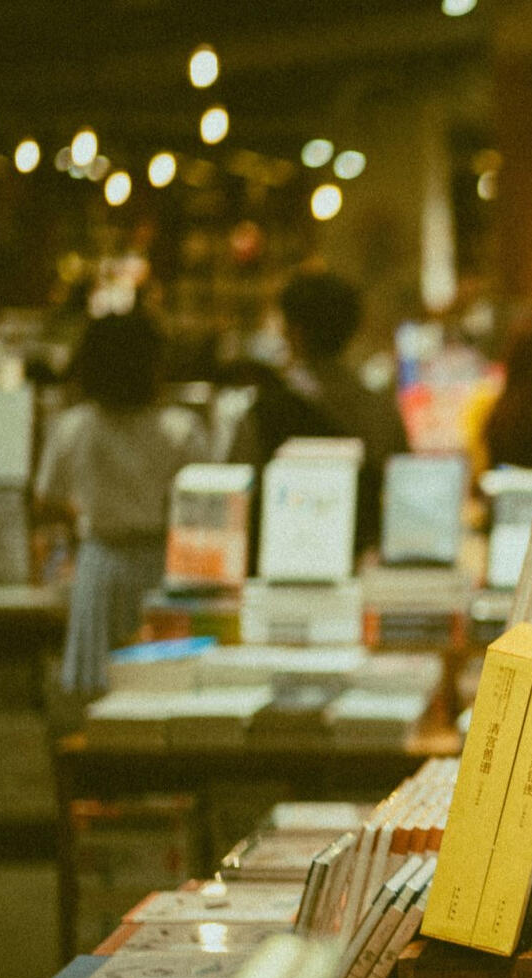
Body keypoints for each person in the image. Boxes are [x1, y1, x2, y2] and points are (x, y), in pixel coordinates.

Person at [36, 311, 210, 694]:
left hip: (100, 563)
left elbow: (46, 500)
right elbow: (206, 509)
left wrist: (80, 516)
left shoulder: (73, 426)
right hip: (164, 565)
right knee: (163, 686)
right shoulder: (180, 429)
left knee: (98, 689)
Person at [231, 270, 409, 554]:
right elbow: (403, 493)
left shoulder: (263, 410)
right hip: (359, 563)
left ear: (295, 332)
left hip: (278, 562)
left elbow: (237, 496)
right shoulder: (379, 409)